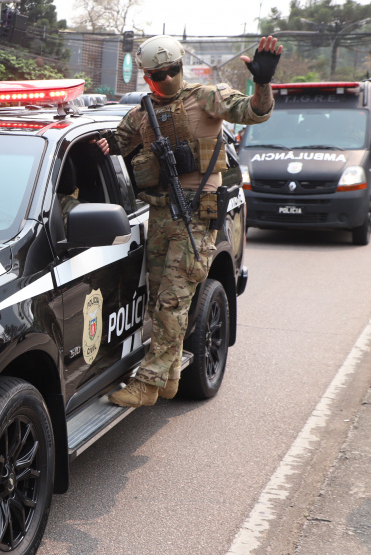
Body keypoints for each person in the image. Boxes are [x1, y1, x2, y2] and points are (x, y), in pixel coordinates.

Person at [97, 35, 282, 407]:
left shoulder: (207, 98)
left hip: (196, 216)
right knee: (159, 302)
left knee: (172, 302)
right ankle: (170, 376)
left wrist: (262, 83)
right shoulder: (142, 112)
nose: (166, 78)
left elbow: (255, 112)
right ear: (147, 77)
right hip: (159, 214)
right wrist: (104, 145)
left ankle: (148, 384)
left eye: (173, 70)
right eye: (158, 74)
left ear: (181, 66)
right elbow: (117, 142)